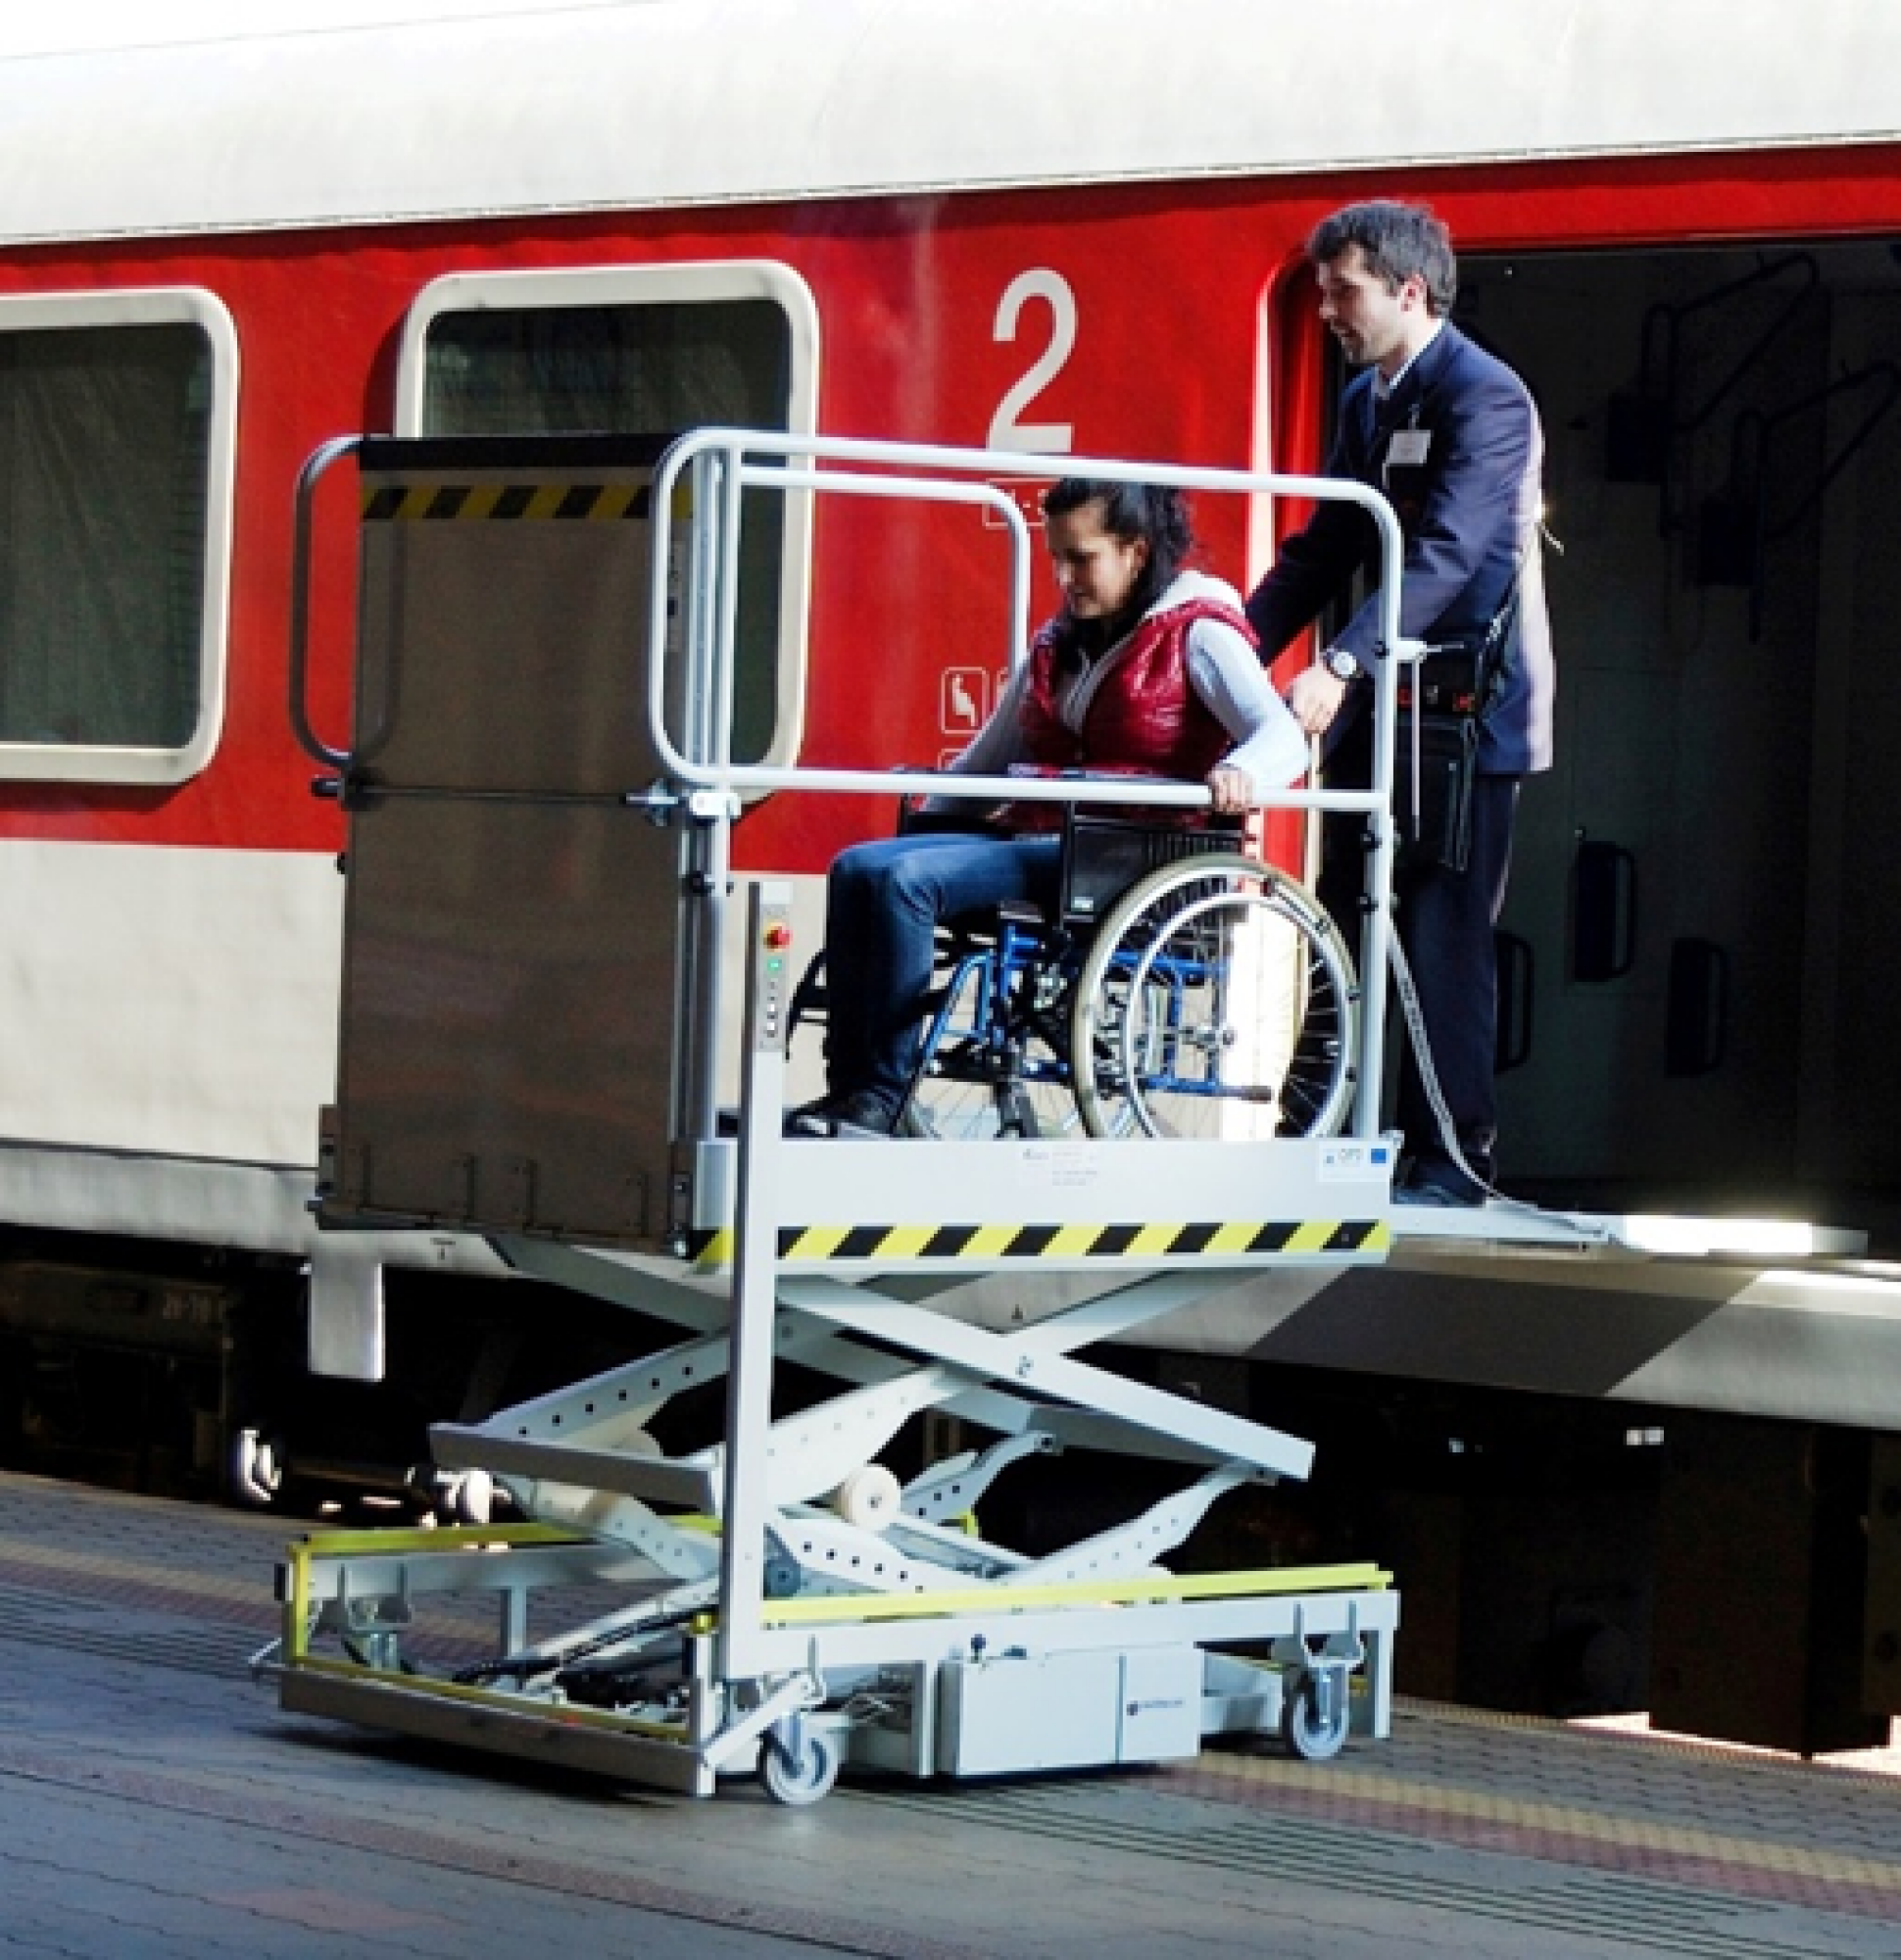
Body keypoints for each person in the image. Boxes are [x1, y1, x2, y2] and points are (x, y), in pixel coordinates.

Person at [793, 476, 1309, 1138]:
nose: (1065, 577)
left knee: (903, 884)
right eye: (1056, 559)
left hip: (1125, 851)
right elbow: (984, 763)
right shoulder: (1059, 641)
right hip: (1046, 836)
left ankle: (883, 1099)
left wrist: (1242, 769)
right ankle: (849, 1091)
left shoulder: (1200, 634)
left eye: (1082, 558)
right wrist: (926, 823)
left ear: (1136, 552)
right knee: (859, 868)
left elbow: (1284, 735)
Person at [1245, 198, 1554, 1206]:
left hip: (1465, 710)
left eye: (1342, 290)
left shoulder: (1486, 398)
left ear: (1407, 290)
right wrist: (1229, 647)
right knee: (1343, 912)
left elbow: (1452, 555)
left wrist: (1336, 662)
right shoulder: (1365, 402)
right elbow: (1327, 545)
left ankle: (1450, 1161)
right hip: (1387, 696)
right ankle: (1310, 1129)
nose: (1327, 309)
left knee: (1439, 934)